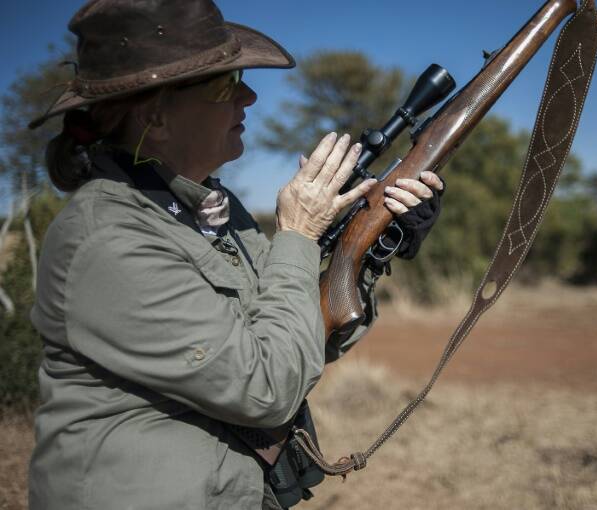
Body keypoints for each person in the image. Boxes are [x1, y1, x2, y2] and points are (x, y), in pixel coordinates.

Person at [26, 1, 444, 508]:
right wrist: (298, 234)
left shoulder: (211, 208)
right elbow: (268, 386)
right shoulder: (107, 237)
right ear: (154, 115)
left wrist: (370, 247)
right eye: (226, 85)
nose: (248, 95)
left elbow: (300, 334)